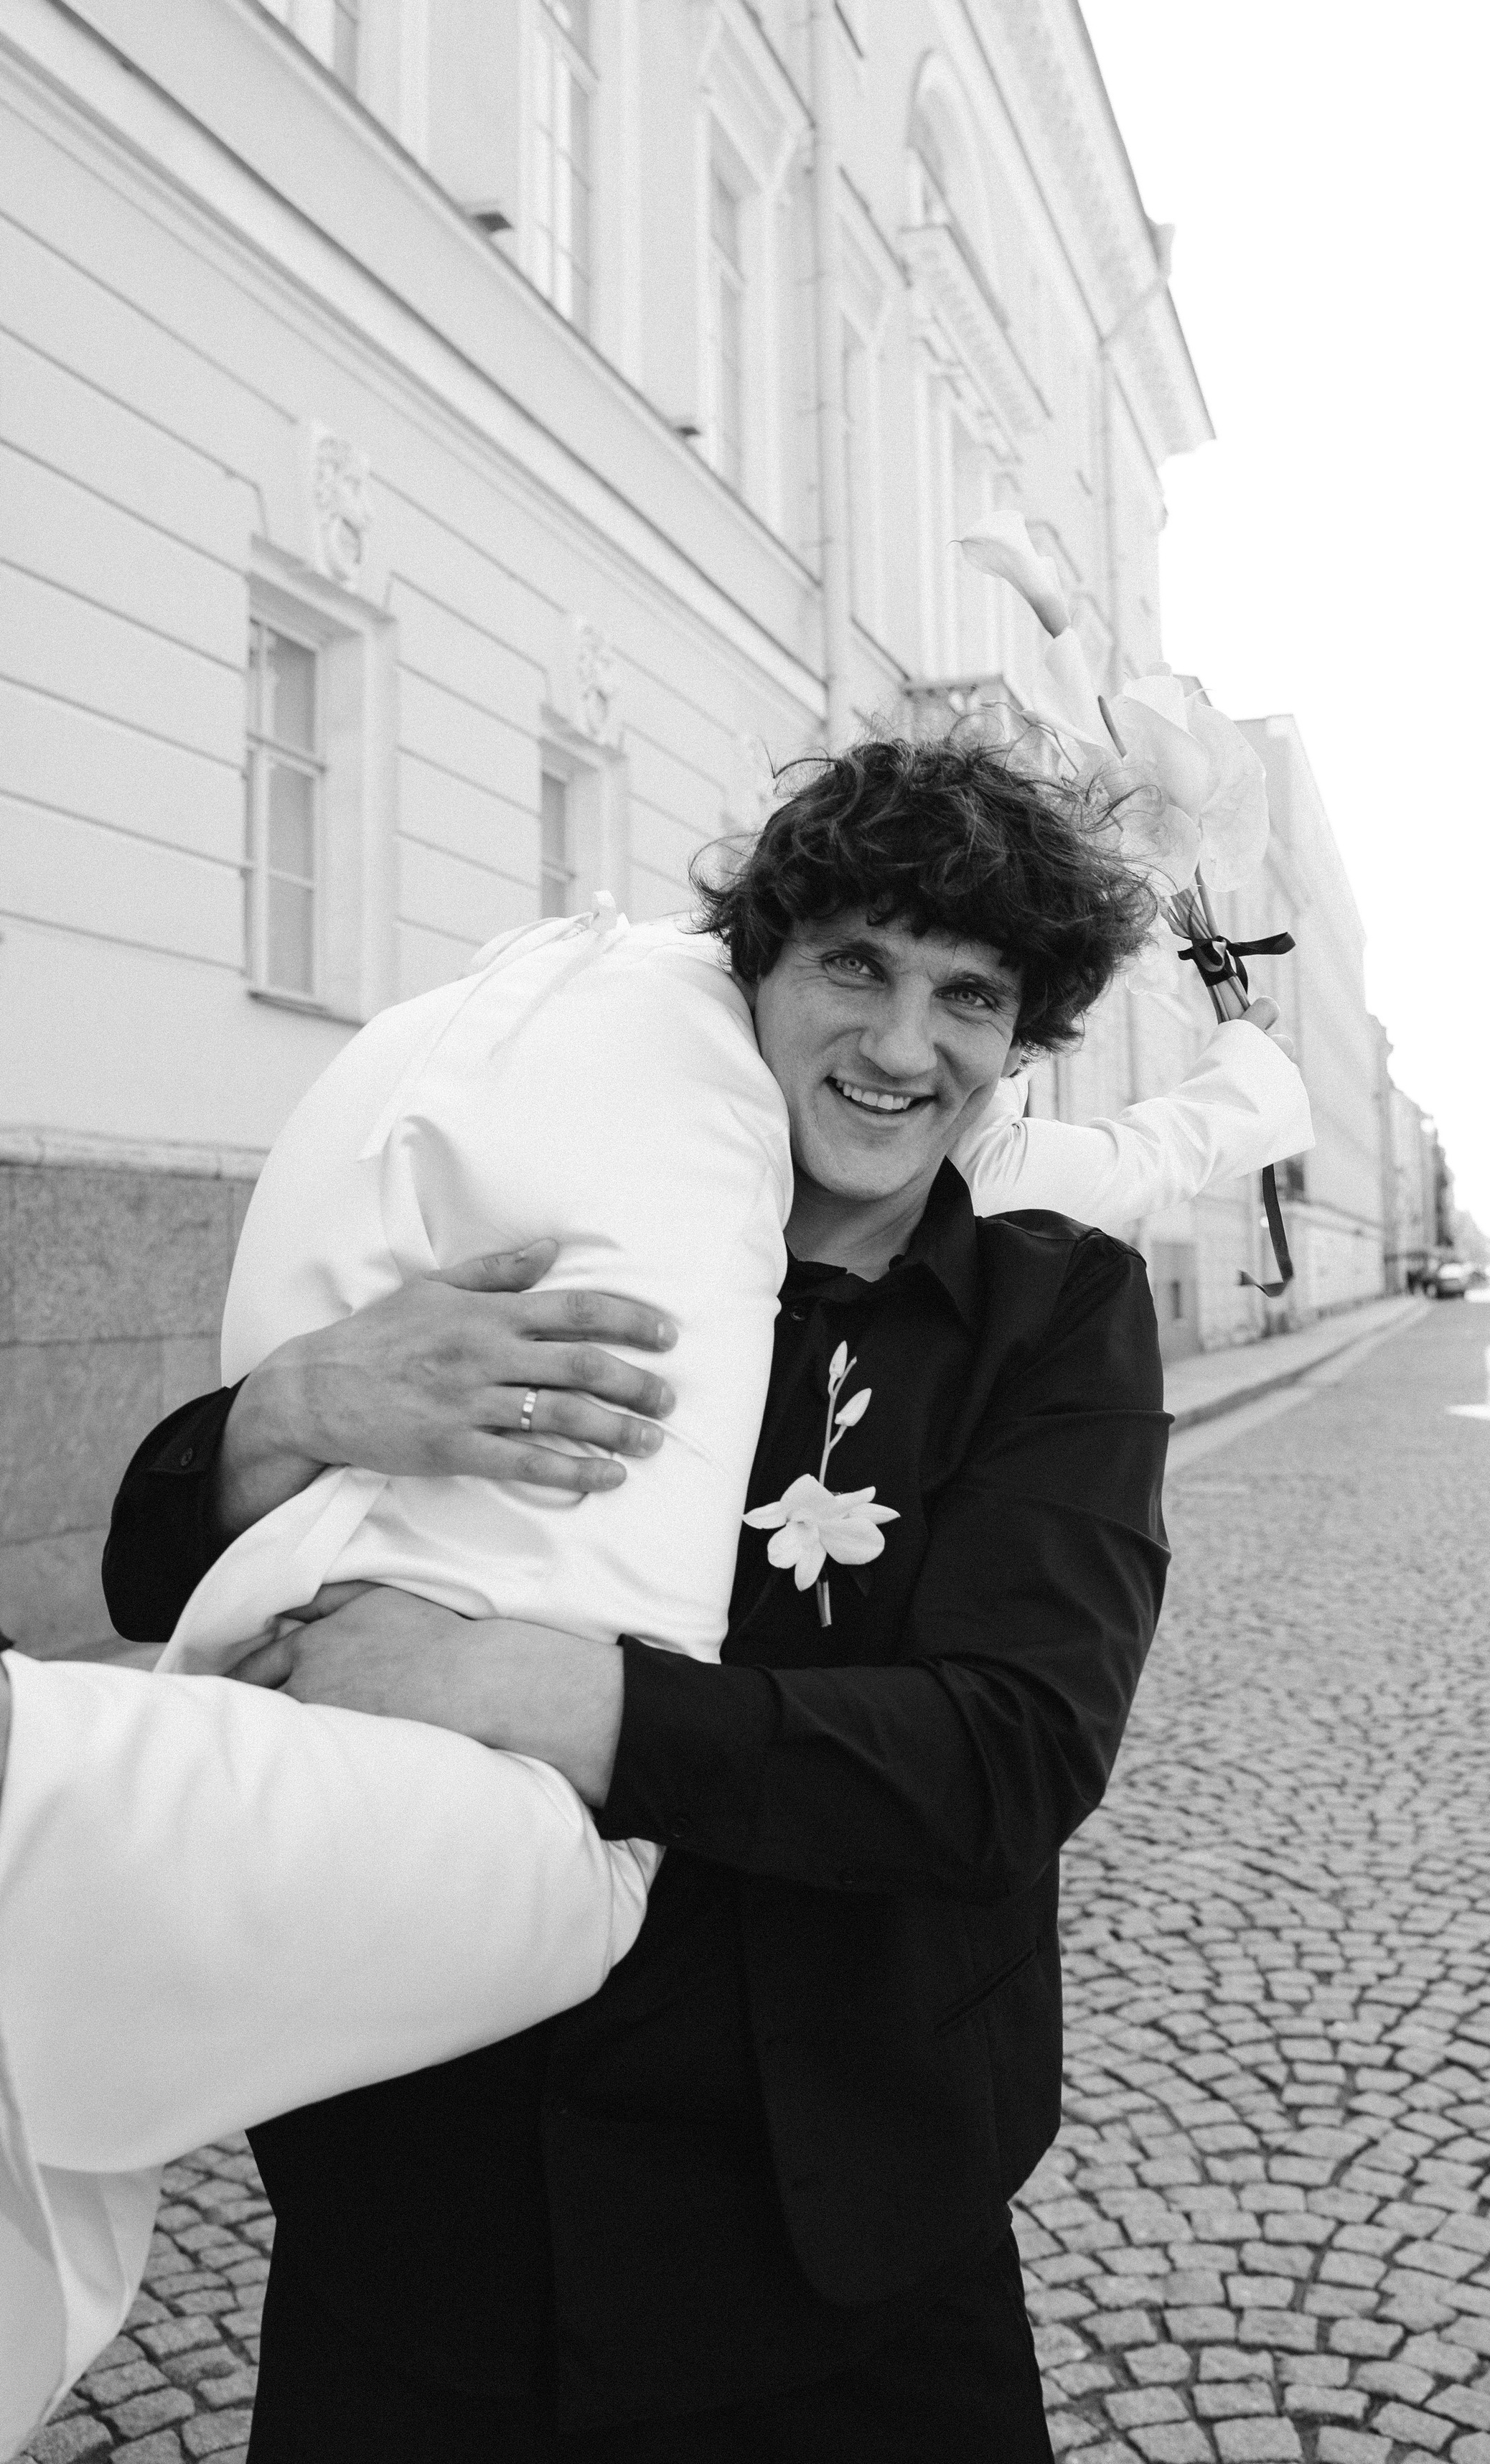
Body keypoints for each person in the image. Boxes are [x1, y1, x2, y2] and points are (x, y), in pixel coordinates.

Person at [18, 739, 1307, 2459]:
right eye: (852, 964)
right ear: (751, 976)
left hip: (842, 2230)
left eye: (968, 996)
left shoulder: (1044, 1312)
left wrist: (529, 1688)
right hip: (428, 2215)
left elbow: (1008, 1754)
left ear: (1021, 1038)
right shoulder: (568, 1227)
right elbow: (155, 1568)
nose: (901, 1046)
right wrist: (294, 1411)